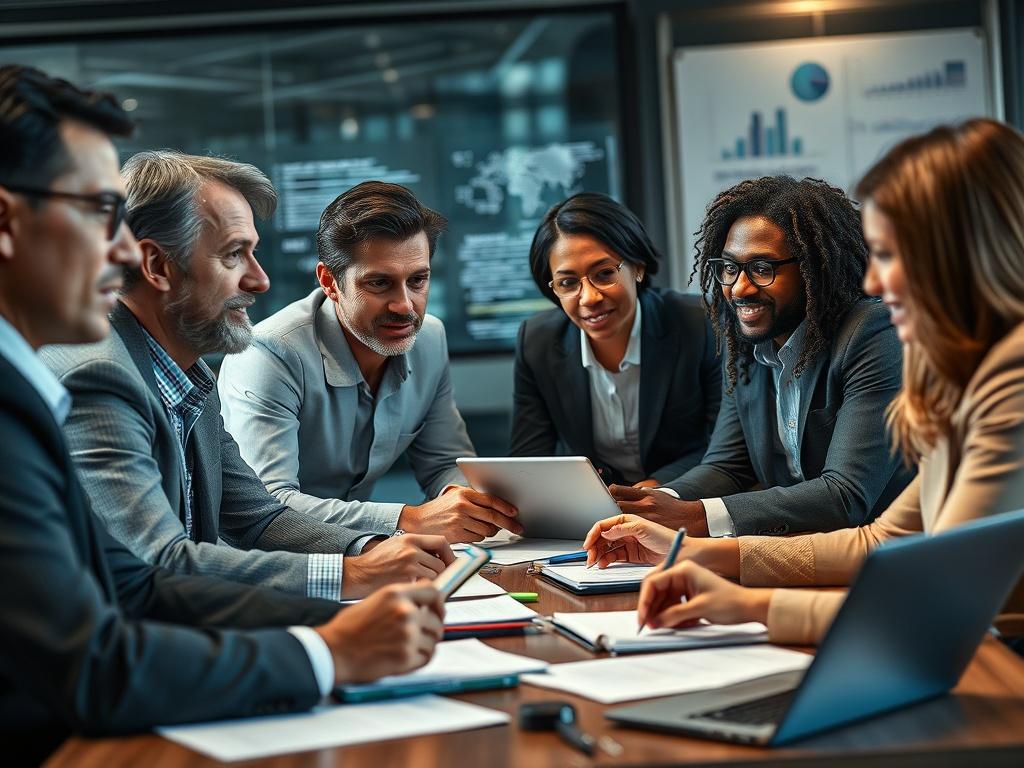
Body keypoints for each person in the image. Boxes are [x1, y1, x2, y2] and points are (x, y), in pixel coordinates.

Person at [0, 65, 444, 762]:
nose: (118, 252)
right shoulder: (77, 381)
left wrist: (349, 610)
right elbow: (99, 655)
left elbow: (142, 580)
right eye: (97, 214)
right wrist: (326, 650)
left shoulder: (176, 372)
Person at [585, 118, 1024, 647]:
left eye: (889, 255)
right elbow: (880, 541)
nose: (874, 282)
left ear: (961, 255)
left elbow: (939, 604)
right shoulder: (962, 377)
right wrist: (688, 551)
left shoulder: (1009, 377)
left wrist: (750, 603)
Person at [42, 152, 453, 600]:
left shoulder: (190, 374)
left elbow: (259, 517)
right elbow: (157, 563)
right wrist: (350, 575)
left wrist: (372, 551)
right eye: (235, 255)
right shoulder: (98, 377)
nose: (260, 281)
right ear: (158, 266)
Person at [606, 176, 913, 537]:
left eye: (762, 269)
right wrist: (654, 503)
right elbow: (727, 465)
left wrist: (696, 516)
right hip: (798, 552)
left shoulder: (873, 333)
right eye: (730, 267)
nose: (739, 288)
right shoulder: (745, 336)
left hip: (886, 554)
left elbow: (846, 495)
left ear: (812, 269)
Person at [217, 181, 520, 544]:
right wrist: (410, 518)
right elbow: (268, 505)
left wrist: (463, 502)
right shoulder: (269, 354)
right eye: (379, 283)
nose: (405, 306)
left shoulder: (430, 339)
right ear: (330, 281)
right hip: (273, 570)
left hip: (366, 551)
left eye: (418, 280)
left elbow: (444, 464)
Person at [510, 192, 721, 487]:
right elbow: (529, 462)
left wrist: (656, 488)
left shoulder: (701, 324)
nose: (590, 297)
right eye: (568, 283)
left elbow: (723, 448)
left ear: (638, 266)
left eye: (605, 273)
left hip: (686, 501)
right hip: (592, 513)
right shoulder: (536, 342)